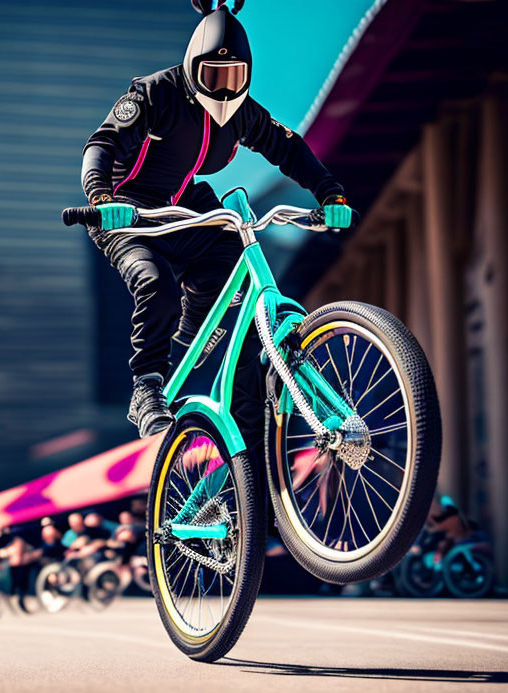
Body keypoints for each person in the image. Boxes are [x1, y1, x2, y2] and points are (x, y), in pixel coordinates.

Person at [80, 1, 351, 440]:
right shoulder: (154, 94)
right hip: (126, 209)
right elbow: (101, 145)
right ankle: (147, 385)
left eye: (235, 78)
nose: (223, 91)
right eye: (213, 76)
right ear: (191, 69)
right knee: (155, 283)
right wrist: (100, 195)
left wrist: (329, 191)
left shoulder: (243, 113)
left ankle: (189, 342)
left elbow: (289, 150)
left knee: (230, 255)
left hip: (184, 201)